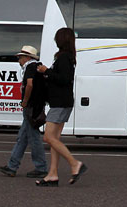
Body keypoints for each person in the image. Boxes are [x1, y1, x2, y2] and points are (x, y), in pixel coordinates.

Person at [34, 28, 87, 186]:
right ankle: (53, 174)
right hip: (64, 102)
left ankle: (74, 163)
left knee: (48, 137)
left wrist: (46, 71)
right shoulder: (69, 57)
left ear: (61, 40)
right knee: (54, 140)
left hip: (60, 103)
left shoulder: (63, 57)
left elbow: (64, 79)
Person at [0, 45, 49, 178]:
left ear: (27, 57)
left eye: (20, 57)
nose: (19, 60)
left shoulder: (30, 67)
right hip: (37, 106)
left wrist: (25, 101)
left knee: (33, 138)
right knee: (23, 137)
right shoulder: (38, 67)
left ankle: (41, 167)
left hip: (31, 106)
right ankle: (12, 166)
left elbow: (29, 84)